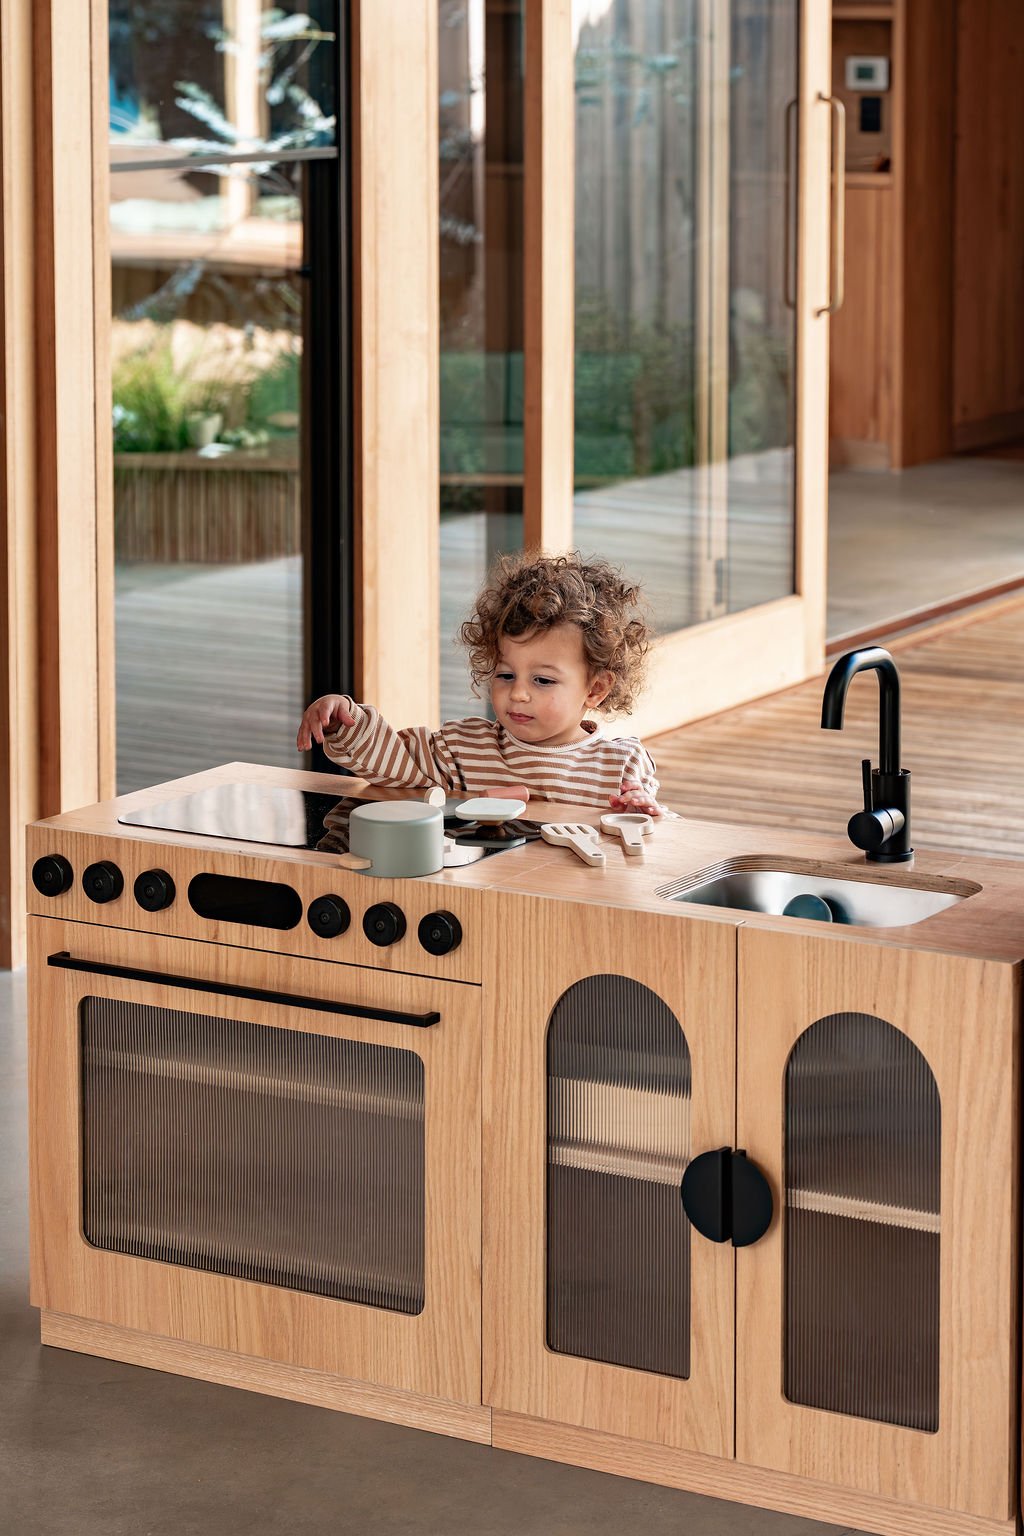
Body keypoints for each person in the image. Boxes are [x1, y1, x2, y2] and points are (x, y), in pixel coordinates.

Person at [296, 552, 664, 816]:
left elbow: (658, 841)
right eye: (506, 675)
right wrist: (347, 723)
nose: (518, 693)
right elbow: (394, 765)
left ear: (595, 689)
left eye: (542, 680)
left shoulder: (620, 765)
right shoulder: (463, 747)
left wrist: (641, 814)